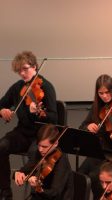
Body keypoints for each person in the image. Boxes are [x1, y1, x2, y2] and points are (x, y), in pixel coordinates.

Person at [0, 51, 57, 200]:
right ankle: (5, 190)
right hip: (23, 132)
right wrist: (2, 111)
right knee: (2, 146)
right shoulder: (18, 87)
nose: (22, 73)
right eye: (19, 70)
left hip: (40, 134)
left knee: (35, 153)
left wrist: (38, 112)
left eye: (25, 69)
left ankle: (36, 193)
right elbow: (1, 104)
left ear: (35, 66)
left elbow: (54, 118)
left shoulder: (46, 87)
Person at [78, 74, 112, 200]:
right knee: (79, 175)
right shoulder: (96, 107)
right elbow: (82, 126)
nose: (105, 96)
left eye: (107, 92)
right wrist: (88, 126)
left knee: (96, 177)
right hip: (100, 152)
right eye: (101, 93)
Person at [14, 124, 73, 200]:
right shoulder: (38, 153)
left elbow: (55, 193)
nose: (40, 149)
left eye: (44, 147)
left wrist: (39, 189)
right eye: (39, 145)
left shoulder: (61, 161)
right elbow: (26, 169)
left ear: (55, 143)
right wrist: (17, 173)